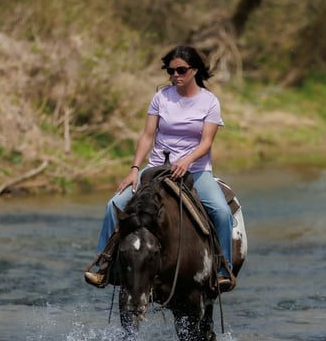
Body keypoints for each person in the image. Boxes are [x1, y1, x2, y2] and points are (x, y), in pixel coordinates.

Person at [84, 45, 236, 292]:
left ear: (194, 70)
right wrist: (135, 168)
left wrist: (187, 160)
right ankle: (104, 265)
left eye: (181, 70)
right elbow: (147, 136)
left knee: (221, 212)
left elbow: (206, 142)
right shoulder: (161, 98)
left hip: (195, 171)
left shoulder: (209, 102)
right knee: (113, 205)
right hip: (156, 168)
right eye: (170, 71)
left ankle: (223, 269)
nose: (175, 75)